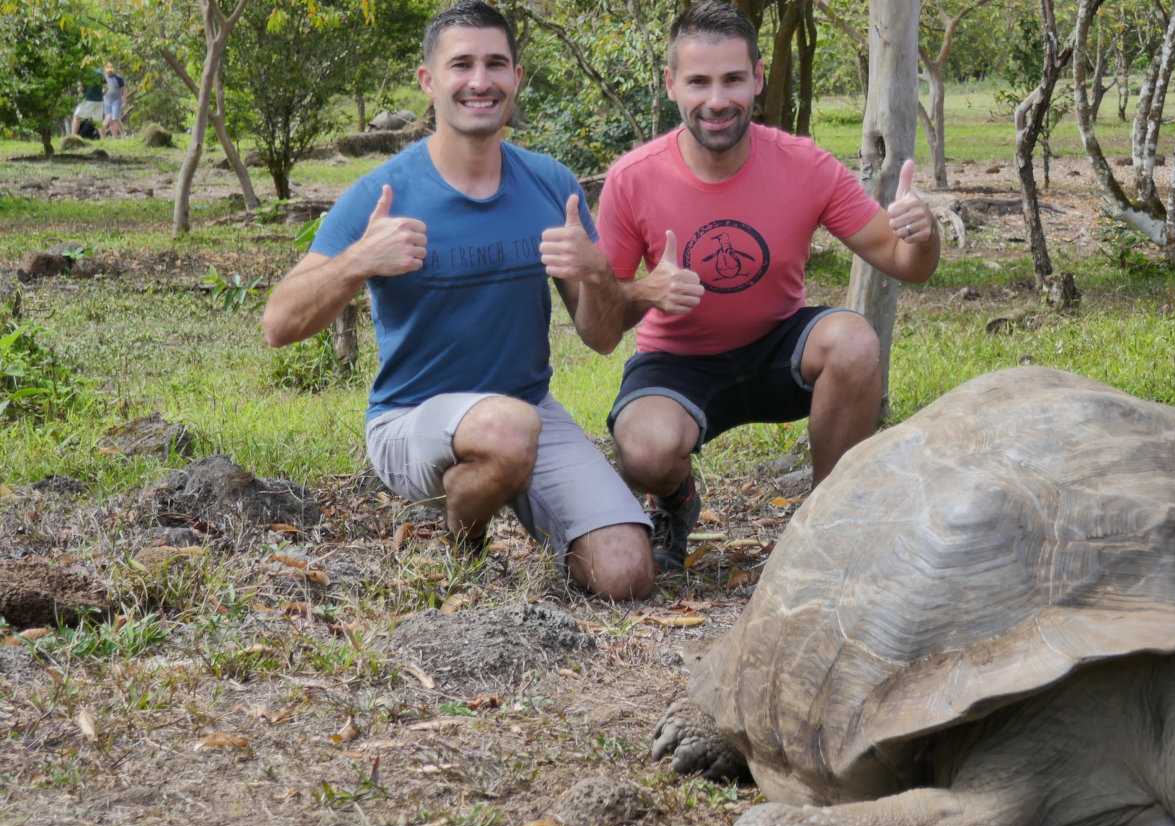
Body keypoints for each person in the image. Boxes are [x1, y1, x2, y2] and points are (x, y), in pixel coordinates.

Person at [260, 0, 655, 600]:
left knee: (625, 572)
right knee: (507, 427)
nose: (479, 81)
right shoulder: (385, 191)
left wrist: (598, 273)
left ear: (516, 79)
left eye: (496, 64)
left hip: (526, 413)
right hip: (410, 421)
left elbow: (601, 338)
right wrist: (358, 260)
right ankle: (461, 538)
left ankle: (515, 494)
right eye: (461, 64)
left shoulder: (550, 184)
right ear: (429, 81)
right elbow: (278, 323)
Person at [589, 0, 940, 571]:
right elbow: (600, 331)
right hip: (677, 362)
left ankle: (826, 523)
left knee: (853, 340)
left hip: (779, 346)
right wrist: (645, 291)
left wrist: (921, 233)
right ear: (671, 84)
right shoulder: (632, 180)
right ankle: (675, 502)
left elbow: (906, 262)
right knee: (644, 450)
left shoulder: (804, 165)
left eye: (732, 79)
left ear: (757, 77)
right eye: (698, 81)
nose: (717, 99)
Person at [102, 64, 127, 138]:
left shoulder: (118, 78)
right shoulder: (103, 78)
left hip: (116, 100)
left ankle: (120, 134)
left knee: (115, 118)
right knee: (111, 119)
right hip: (106, 100)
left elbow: (124, 89)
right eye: (107, 71)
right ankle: (116, 135)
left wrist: (124, 100)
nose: (109, 72)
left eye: (110, 71)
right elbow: (102, 89)